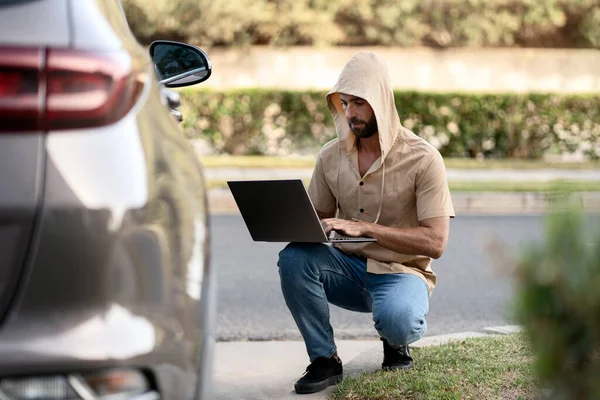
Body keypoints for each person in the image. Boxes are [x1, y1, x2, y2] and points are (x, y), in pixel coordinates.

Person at [277, 51, 455, 395]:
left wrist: (368, 229)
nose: (351, 114)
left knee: (400, 322)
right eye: (345, 103)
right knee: (294, 257)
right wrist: (285, 217)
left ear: (381, 102)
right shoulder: (330, 156)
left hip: (401, 273)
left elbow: (436, 243)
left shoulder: (424, 158)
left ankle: (394, 340)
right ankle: (324, 360)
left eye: (359, 103)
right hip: (347, 268)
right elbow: (317, 216)